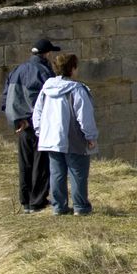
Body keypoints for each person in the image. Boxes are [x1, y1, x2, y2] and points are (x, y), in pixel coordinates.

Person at [32, 53, 99, 216]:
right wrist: (90, 137)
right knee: (78, 173)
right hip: (73, 138)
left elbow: (37, 113)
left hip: (51, 138)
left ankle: (59, 207)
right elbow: (85, 116)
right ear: (72, 68)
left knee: (57, 174)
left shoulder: (46, 89)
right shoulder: (77, 90)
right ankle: (80, 207)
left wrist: (41, 132)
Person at [0, 37, 59, 213]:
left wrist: (17, 120)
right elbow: (45, 99)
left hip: (22, 125)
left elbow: (6, 97)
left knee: (25, 163)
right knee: (41, 164)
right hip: (37, 123)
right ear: (47, 53)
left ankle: (25, 200)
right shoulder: (43, 71)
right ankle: (37, 201)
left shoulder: (17, 70)